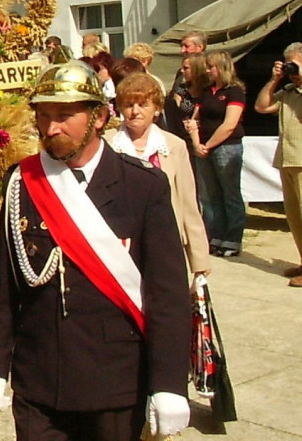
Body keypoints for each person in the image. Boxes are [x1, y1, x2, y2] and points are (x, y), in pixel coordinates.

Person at [0, 61, 192, 441]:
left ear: (98, 117)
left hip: (113, 381)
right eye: (43, 115)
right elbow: (5, 284)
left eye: (64, 115)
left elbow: (167, 294)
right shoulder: (22, 180)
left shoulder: (141, 185)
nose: (51, 128)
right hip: (40, 378)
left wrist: (169, 383)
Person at [105, 73, 211, 278]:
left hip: (165, 240)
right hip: (119, 243)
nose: (135, 111)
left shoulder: (174, 146)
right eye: (128, 105)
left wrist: (199, 261)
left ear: (157, 109)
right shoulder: (106, 144)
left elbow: (188, 204)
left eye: (143, 105)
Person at [187, 49, 246, 257]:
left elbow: (230, 124)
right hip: (203, 148)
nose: (208, 70)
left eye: (211, 66)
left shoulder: (234, 91)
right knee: (209, 196)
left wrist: (209, 144)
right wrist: (197, 144)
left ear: (221, 68)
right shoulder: (206, 91)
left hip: (226, 147)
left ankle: (233, 238)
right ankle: (215, 235)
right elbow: (194, 119)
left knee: (229, 194)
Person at [255, 43, 302, 287]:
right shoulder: (287, 92)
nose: (292, 71)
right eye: (289, 66)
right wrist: (274, 80)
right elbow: (261, 106)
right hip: (288, 159)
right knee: (295, 218)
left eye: (295, 65)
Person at [163, 31, 207, 142]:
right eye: (181, 46)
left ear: (200, 47)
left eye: (186, 46)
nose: (183, 50)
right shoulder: (181, 76)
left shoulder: (209, 79)